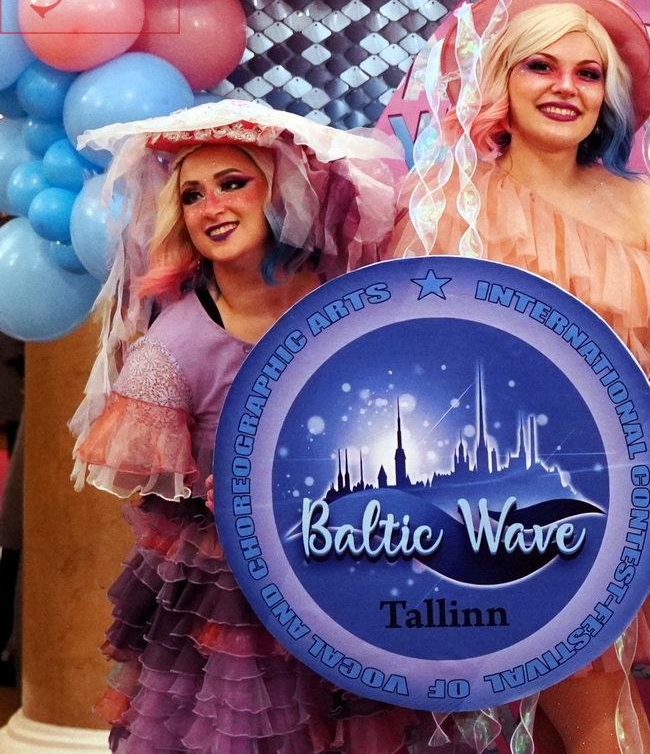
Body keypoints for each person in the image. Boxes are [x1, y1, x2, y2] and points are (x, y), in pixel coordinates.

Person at [389, 0, 650, 754]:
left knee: (577, 714)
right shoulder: (448, 204)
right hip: (486, 511)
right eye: (541, 66)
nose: (566, 87)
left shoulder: (646, 208)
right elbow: (405, 368)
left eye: (587, 73)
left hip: (615, 501)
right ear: (503, 78)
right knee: (593, 716)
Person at [69, 99, 413, 752]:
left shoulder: (349, 303)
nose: (212, 207)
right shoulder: (173, 347)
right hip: (235, 598)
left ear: (281, 192)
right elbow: (157, 498)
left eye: (232, 183)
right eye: (192, 195)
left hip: (353, 565)